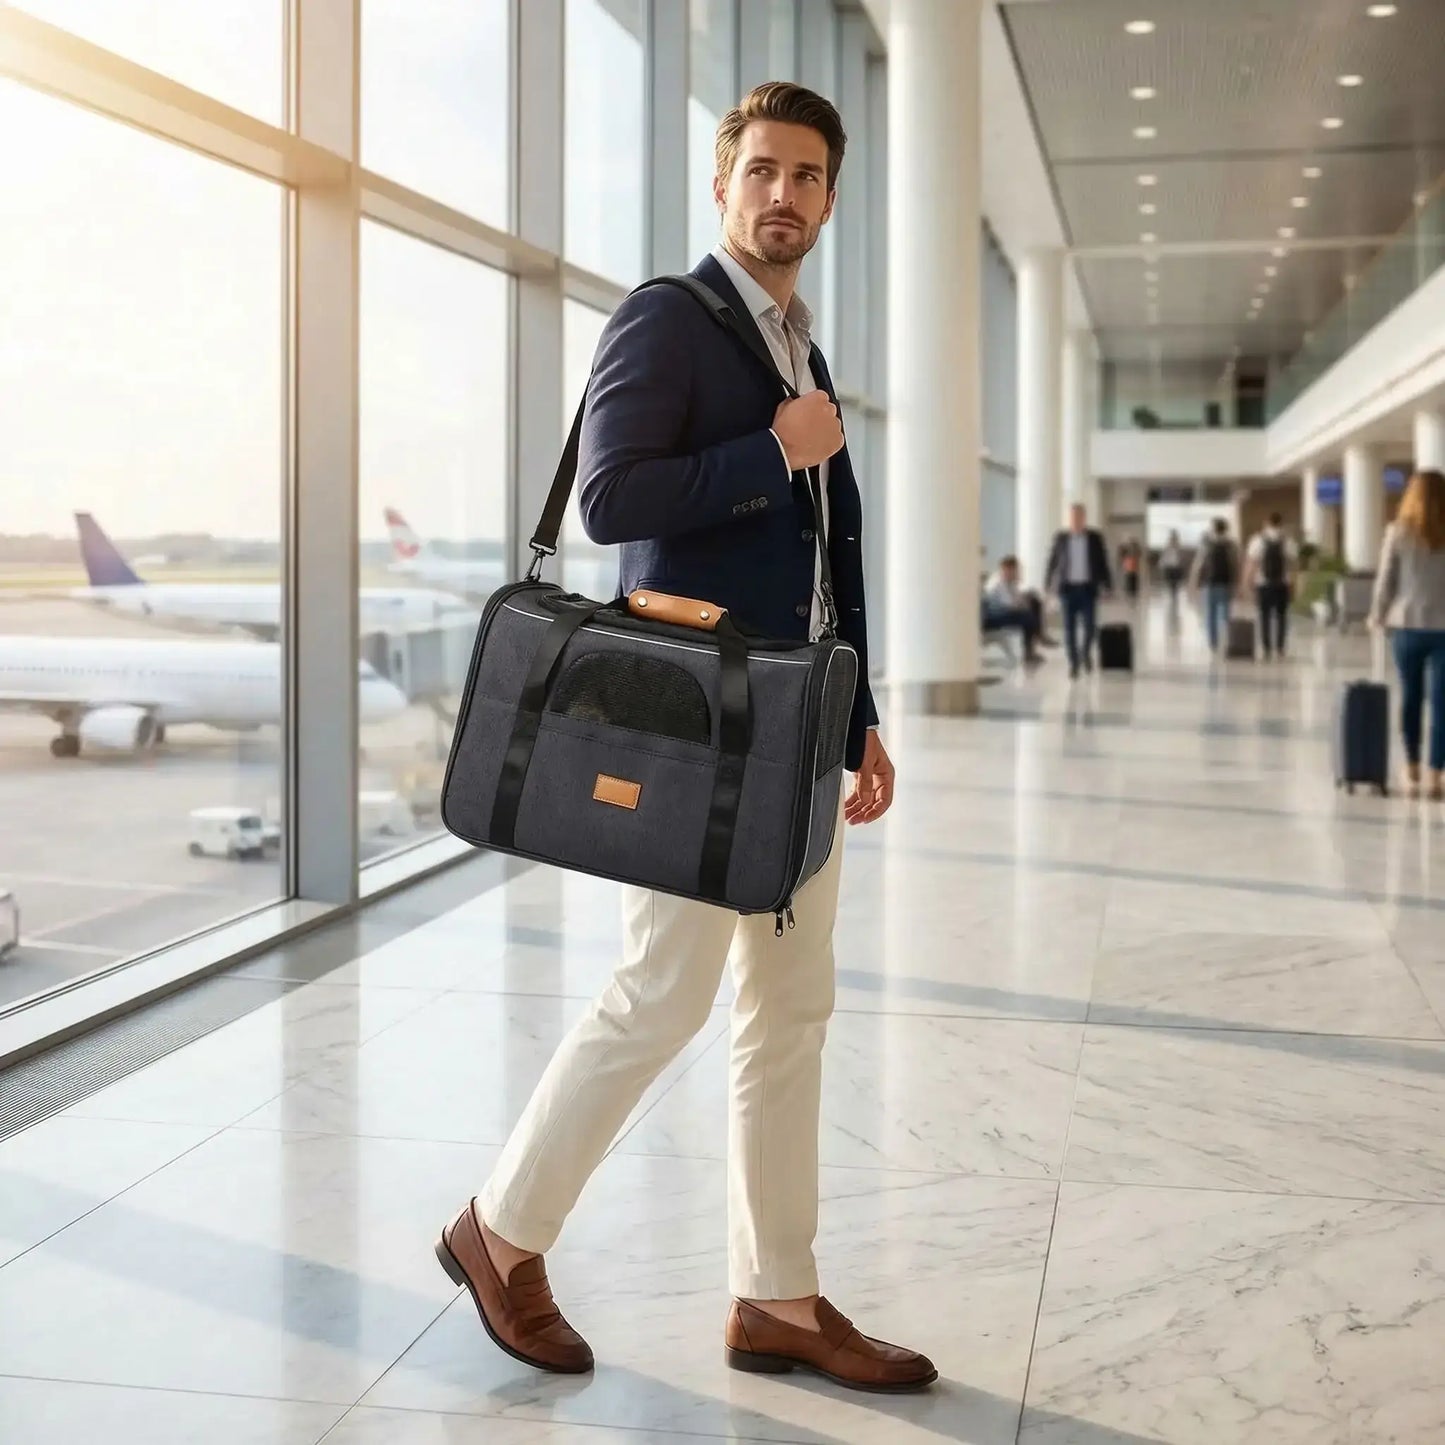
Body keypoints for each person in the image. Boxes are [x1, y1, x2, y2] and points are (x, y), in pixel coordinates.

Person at [432, 82, 936, 1394]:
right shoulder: (673, 317)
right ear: (723, 185)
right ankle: (500, 1229)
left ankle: (777, 1296)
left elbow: (832, 557)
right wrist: (771, 446)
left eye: (809, 175)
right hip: (706, 725)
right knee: (662, 989)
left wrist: (860, 714)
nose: (785, 194)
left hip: (795, 721)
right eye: (762, 168)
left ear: (831, 196)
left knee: (791, 1010)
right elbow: (609, 498)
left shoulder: (802, 347)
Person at [1369, 468, 1445, 799]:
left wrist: (1376, 615)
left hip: (1406, 626)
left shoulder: (1398, 532)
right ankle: (1436, 772)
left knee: (1411, 697)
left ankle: (1411, 766)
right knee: (1442, 703)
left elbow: (1386, 578)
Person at [1045, 503, 1114, 678]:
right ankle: (1074, 663)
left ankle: (1085, 654)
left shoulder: (1094, 538)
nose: (1076, 520)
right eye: (1073, 517)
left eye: (1079, 516)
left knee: (1090, 627)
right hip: (1067, 589)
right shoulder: (1061, 538)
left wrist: (1108, 584)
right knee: (1069, 629)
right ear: (1069, 519)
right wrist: (1047, 584)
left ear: (1084, 518)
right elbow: (1052, 562)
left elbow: (1103, 562)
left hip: (1088, 589)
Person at [1243, 511, 1298, 659]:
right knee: (1282, 616)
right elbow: (1293, 564)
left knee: (1264, 616)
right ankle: (1280, 648)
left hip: (1263, 584)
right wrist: (1293, 583)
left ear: (1267, 522)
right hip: (1282, 583)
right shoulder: (1288, 540)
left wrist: (1248, 580)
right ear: (1281, 523)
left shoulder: (1258, 540)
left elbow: (1252, 562)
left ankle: (1266, 648)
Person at [983, 554, 1046, 664]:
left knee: (1034, 601)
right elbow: (1010, 604)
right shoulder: (998, 583)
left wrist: (1023, 601)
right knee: (1028, 617)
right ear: (1007, 569)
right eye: (1015, 570)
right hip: (993, 616)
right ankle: (1034, 644)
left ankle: (1035, 641)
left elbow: (1017, 600)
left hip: (1003, 612)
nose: (1017, 573)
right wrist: (1022, 604)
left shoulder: (1010, 582)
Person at [1190, 517, 1239, 654]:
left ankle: (1213, 644)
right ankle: (1227, 641)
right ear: (1225, 528)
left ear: (1213, 528)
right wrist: (1236, 583)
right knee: (1225, 615)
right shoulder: (1231, 544)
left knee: (1210, 615)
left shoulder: (1206, 544)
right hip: (1225, 583)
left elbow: (1198, 565)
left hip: (1209, 584)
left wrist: (1194, 583)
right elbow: (1235, 564)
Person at [1160, 530, 1185, 605]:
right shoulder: (1167, 547)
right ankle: (1172, 594)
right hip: (1169, 567)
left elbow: (1181, 557)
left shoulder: (1178, 547)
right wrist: (1162, 565)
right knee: (1170, 582)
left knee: (1175, 583)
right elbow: (1164, 557)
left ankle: (1174, 595)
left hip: (1176, 568)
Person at [1118, 537, 1143, 602]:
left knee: (1134, 578)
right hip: (1128, 565)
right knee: (1128, 578)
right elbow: (1121, 555)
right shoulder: (1125, 550)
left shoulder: (1136, 550)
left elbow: (1139, 554)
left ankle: (1134, 591)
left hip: (1134, 566)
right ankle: (1129, 591)